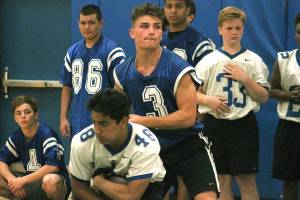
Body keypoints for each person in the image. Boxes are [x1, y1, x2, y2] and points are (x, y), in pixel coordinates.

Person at [114, 3, 219, 200]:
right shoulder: (123, 72)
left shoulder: (178, 68)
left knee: (207, 197)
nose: (151, 31)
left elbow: (188, 117)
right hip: (151, 148)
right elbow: (115, 112)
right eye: (145, 26)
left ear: (162, 33)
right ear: (132, 33)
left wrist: (142, 121)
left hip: (187, 144)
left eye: (157, 26)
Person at [195, 6, 270, 200]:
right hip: (215, 124)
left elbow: (263, 96)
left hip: (243, 124)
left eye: (237, 28)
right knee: (221, 180)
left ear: (243, 29)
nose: (234, 32)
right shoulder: (208, 61)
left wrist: (245, 79)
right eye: (229, 28)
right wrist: (208, 100)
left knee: (246, 180)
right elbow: (193, 94)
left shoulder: (254, 61)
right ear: (220, 29)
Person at [69, 88, 166, 200]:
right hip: (98, 191)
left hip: (145, 186)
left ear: (124, 122)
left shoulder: (146, 144)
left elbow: (131, 196)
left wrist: (99, 181)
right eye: (94, 122)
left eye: (103, 124)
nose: (97, 130)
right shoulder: (81, 143)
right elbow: (79, 189)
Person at [60, 4, 126, 139]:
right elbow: (67, 86)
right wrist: (63, 117)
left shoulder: (112, 50)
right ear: (78, 24)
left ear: (101, 23)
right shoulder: (72, 51)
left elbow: (120, 87)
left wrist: (110, 116)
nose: (86, 27)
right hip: (77, 121)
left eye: (91, 23)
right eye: (83, 23)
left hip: (104, 122)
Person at [0, 95, 70, 200]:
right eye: (19, 113)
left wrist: (21, 181)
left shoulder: (46, 133)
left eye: (27, 112)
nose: (23, 116)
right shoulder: (16, 137)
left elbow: (52, 167)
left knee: (50, 180)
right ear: (15, 118)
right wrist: (13, 180)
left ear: (36, 115)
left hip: (51, 184)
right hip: (30, 182)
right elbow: (1, 161)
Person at [270, 13, 300, 200]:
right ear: (295, 34)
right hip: (289, 128)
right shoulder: (284, 59)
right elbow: (270, 90)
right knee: (289, 180)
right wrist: (290, 95)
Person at [162, 0, 215, 67]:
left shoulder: (200, 44)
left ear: (188, 10)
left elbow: (206, 76)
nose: (173, 10)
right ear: (164, 9)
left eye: (179, 6)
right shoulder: (159, 40)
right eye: (169, 6)